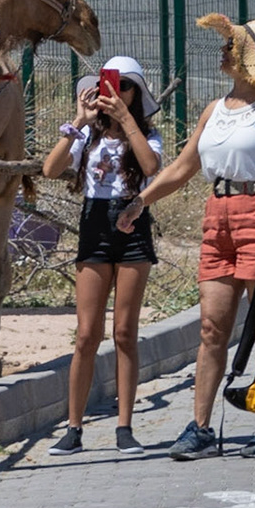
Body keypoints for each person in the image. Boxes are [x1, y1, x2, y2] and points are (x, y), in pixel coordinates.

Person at [116, 15, 255, 460]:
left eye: (230, 47)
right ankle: (200, 429)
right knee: (211, 328)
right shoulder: (214, 110)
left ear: (249, 57)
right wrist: (140, 201)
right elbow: (182, 168)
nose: (222, 53)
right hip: (217, 216)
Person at [41, 56, 163, 455]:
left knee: (125, 332)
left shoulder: (146, 134)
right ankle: (73, 428)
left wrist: (127, 120)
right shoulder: (88, 136)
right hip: (95, 223)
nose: (117, 92)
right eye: (112, 84)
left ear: (137, 94)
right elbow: (50, 168)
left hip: (131, 223)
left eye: (125, 85)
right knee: (87, 334)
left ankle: (124, 427)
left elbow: (151, 166)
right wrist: (78, 119)